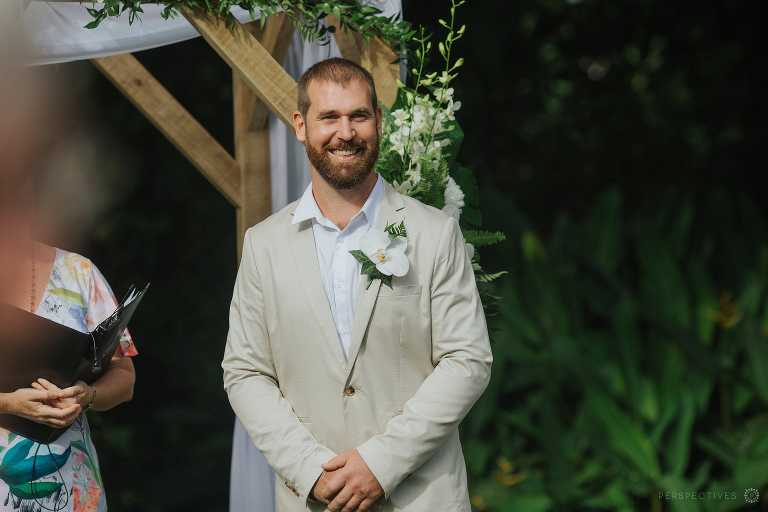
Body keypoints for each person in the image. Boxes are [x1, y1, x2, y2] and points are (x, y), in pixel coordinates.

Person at [223, 57, 492, 512]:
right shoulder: (263, 246)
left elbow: (467, 360)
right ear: (300, 125)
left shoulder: (434, 233)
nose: (345, 132)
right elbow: (246, 373)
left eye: (358, 116)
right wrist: (310, 470)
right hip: (314, 499)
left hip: (422, 498)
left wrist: (379, 464)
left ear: (378, 122)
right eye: (329, 116)